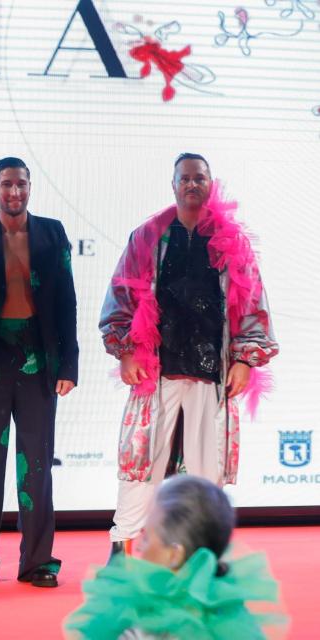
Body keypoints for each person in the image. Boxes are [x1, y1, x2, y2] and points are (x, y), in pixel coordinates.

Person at [100, 153, 278, 557]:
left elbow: (252, 302)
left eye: (200, 178)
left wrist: (246, 359)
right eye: (186, 178)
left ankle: (207, 551)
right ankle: (122, 545)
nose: (193, 184)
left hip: (212, 372)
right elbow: (121, 297)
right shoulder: (148, 236)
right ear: (174, 185)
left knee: (207, 468)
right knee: (140, 460)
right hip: (156, 368)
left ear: (211, 184)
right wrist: (126, 352)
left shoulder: (233, 242)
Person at [0, 157, 79, 589]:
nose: (15, 192)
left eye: (22, 184)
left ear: (30, 187)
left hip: (38, 360)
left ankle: (38, 562)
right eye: (6, 184)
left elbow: (66, 301)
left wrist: (68, 363)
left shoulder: (52, 232)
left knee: (37, 468)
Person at [64, 475, 285, 639]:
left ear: (174, 554)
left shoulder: (137, 623)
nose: (140, 546)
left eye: (148, 537)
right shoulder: (236, 622)